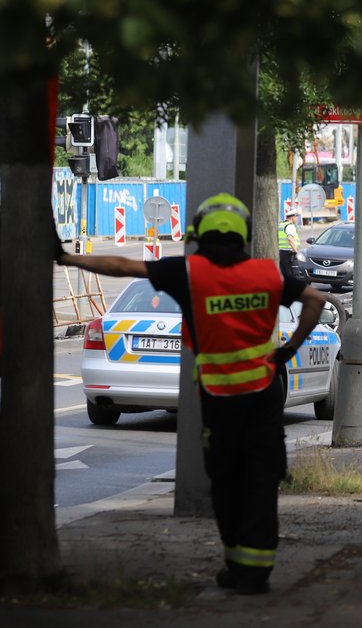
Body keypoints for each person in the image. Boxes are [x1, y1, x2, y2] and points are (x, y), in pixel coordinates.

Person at [53, 193, 326, 594]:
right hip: (264, 395)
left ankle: (237, 564)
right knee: (262, 479)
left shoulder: (190, 272)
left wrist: (68, 259)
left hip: (219, 399)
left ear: (199, 232)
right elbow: (315, 300)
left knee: (226, 479)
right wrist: (288, 348)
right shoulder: (267, 275)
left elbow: (122, 265)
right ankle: (256, 570)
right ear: (244, 234)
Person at [278, 208, 303, 279]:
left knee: (284, 273)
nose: (296, 219)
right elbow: (290, 239)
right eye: (296, 217)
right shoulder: (290, 226)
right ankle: (295, 289)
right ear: (292, 217)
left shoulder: (281, 225)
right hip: (289, 253)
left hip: (281, 252)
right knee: (294, 275)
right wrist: (296, 251)